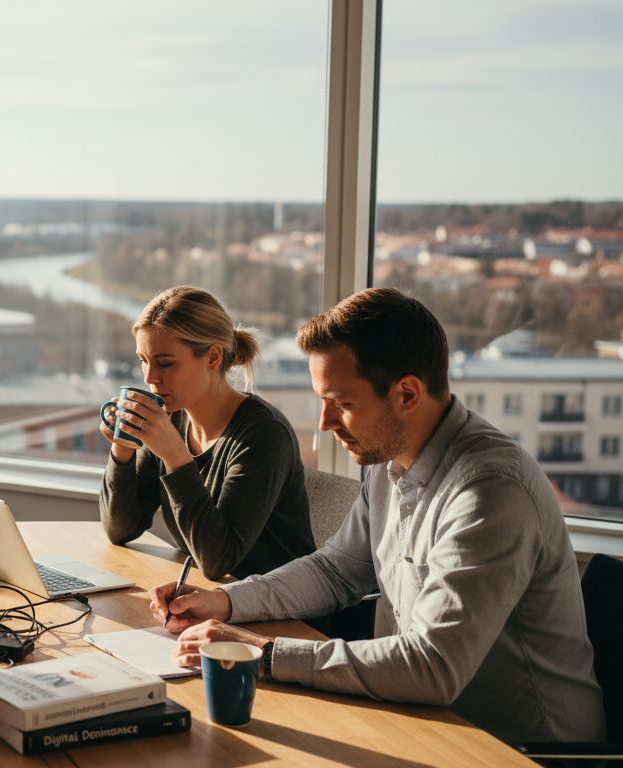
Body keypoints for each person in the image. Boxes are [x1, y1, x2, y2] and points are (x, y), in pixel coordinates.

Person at [154, 288, 606, 744]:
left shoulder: (491, 491)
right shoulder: (388, 462)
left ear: (407, 393)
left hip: (519, 748)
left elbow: (432, 667)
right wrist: (227, 601)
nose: (326, 423)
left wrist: (265, 653)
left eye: (343, 404)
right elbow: (335, 571)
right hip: (422, 721)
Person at [99, 286, 315, 580]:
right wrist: (123, 447)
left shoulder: (263, 435)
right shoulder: (171, 419)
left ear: (213, 357)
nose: (150, 378)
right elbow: (120, 529)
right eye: (143, 360)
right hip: (211, 601)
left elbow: (218, 561)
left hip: (282, 613)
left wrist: (176, 456)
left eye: (165, 363)